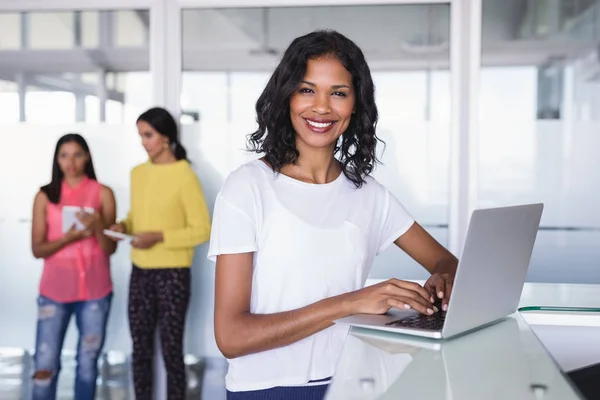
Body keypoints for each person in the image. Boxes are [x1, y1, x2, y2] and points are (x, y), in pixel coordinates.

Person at [207, 30, 459, 400]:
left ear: (355, 104)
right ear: (287, 96)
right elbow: (231, 337)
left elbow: (446, 261)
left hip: (351, 384)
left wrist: (443, 279)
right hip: (267, 390)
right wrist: (352, 302)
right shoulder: (247, 188)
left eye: (338, 93)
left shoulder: (369, 194)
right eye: (307, 90)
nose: (322, 107)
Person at [108, 107, 211, 400]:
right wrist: (124, 225)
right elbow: (136, 215)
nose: (143, 142)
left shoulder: (184, 175)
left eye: (148, 135)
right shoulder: (138, 174)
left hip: (173, 276)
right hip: (140, 272)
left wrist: (159, 237)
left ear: (166, 137)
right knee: (140, 350)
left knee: (171, 351)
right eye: (141, 135)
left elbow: (202, 229)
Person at [31, 133, 117, 400]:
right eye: (64, 155)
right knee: (45, 363)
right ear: (57, 159)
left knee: (88, 364)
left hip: (95, 290)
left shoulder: (103, 193)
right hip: (54, 291)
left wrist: (98, 227)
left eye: (77, 154)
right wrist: (68, 238)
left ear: (87, 156)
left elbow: (110, 248)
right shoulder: (45, 196)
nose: (71, 162)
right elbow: (37, 249)